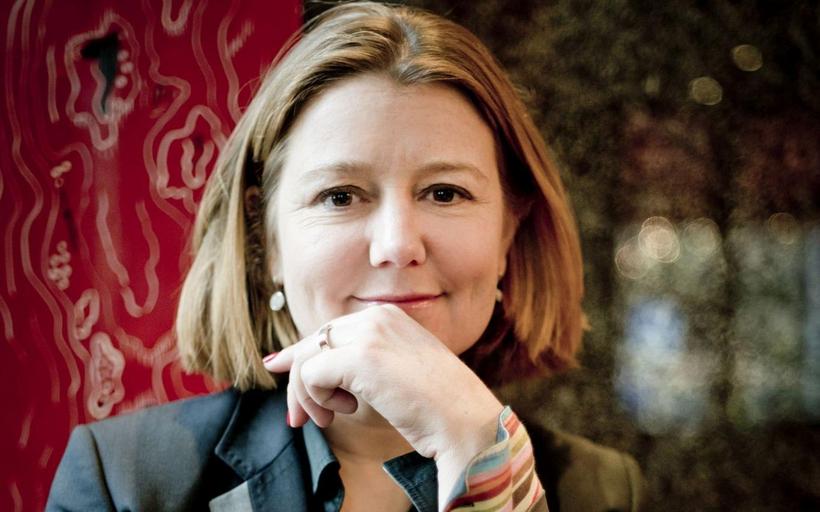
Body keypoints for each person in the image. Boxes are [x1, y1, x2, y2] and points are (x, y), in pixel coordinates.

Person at [47, 2, 642, 511]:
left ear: (508, 234)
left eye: (445, 193)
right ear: (265, 240)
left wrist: (481, 458)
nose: (398, 245)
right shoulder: (123, 479)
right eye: (339, 196)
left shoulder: (597, 489)